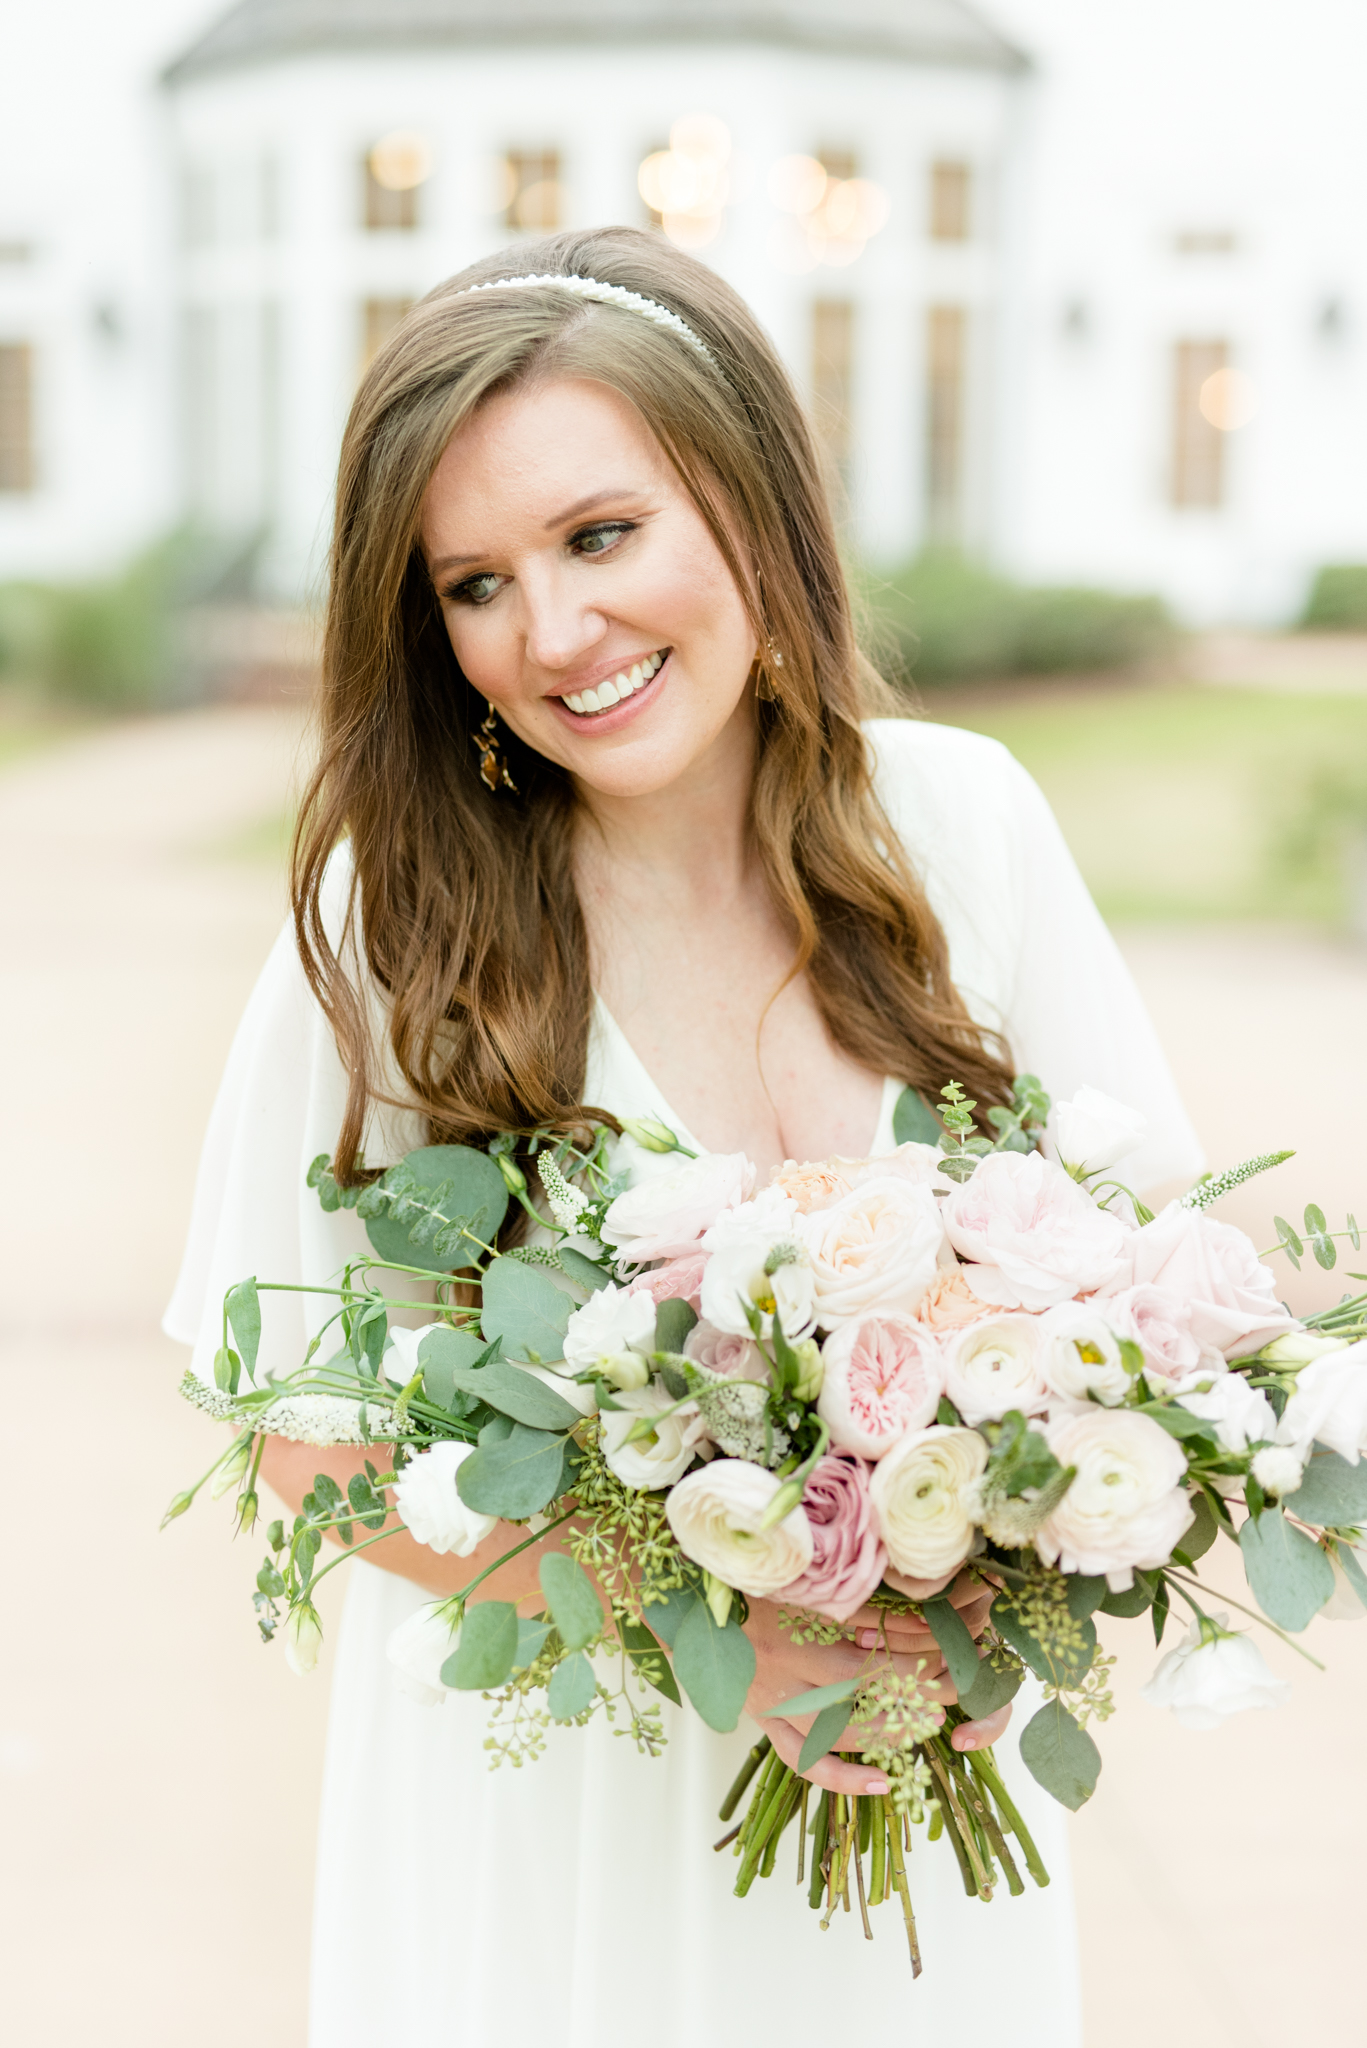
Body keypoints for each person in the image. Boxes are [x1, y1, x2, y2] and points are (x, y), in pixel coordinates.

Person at [166, 228, 1202, 2047]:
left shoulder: (964, 823)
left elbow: (1157, 1310)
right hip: (555, 1828)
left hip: (917, 1836)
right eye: (474, 583)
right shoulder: (396, 918)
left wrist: (1005, 1552)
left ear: (749, 503)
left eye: (599, 535)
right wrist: (705, 1627)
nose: (554, 636)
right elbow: (293, 1435)